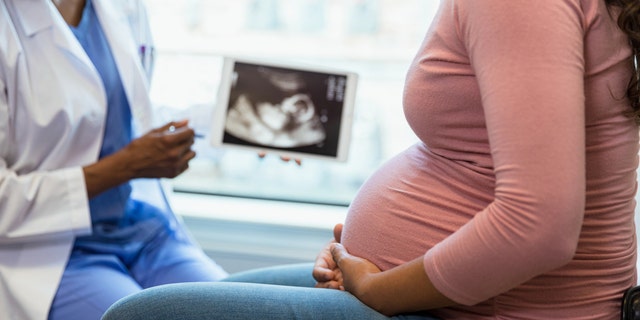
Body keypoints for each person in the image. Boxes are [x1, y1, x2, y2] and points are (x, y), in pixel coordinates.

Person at [102, 0, 640, 319]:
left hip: (497, 310)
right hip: (457, 293)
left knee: (141, 315)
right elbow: (476, 160)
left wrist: (379, 287)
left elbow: (539, 227)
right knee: (206, 298)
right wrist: (359, 248)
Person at [0, 1, 231, 319]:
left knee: (241, 307)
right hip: (48, 252)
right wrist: (126, 165)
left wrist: (235, 127)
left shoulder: (121, 6)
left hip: (140, 230)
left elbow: (124, 116)